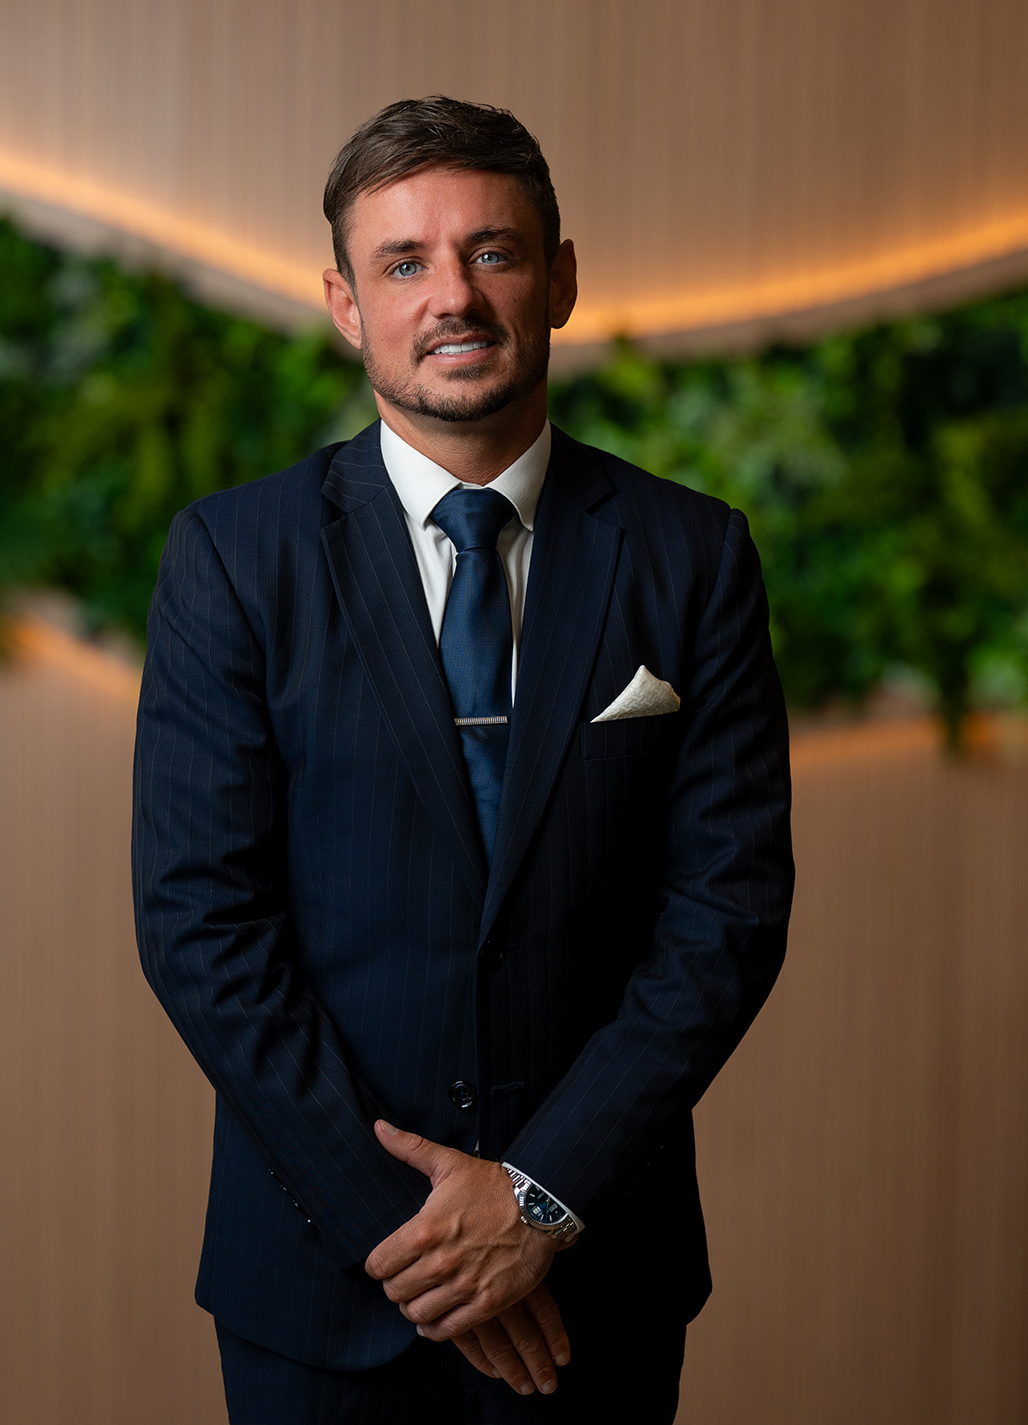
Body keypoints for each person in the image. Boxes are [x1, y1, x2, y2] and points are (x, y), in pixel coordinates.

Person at [132, 95, 793, 1424]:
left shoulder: (692, 555)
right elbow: (203, 927)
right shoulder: (235, 560)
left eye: (493, 252)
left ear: (561, 277)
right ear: (345, 302)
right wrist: (428, 1241)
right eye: (405, 263)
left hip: (598, 1280)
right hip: (324, 1281)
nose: (455, 297)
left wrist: (538, 1203)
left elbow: (725, 916)